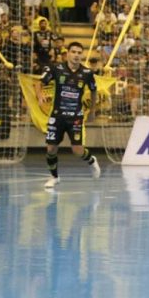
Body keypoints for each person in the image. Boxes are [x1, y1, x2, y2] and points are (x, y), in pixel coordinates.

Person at [34, 42, 101, 189]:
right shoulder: (56, 68)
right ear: (68, 53)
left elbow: (94, 90)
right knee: (51, 149)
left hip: (75, 117)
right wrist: (39, 96)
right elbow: (39, 83)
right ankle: (54, 177)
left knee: (77, 150)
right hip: (57, 116)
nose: (76, 55)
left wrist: (93, 111)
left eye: (79, 52)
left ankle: (91, 160)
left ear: (81, 55)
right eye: (74, 52)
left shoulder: (87, 73)